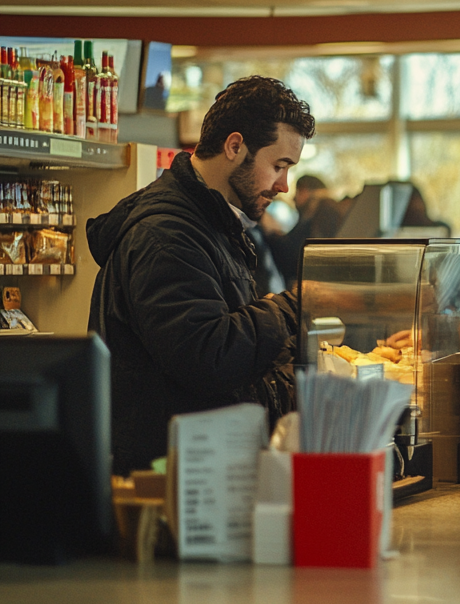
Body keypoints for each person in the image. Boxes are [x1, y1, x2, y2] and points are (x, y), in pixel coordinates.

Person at [88, 76, 314, 475]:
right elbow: (208, 355)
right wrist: (293, 307)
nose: (284, 185)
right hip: (168, 480)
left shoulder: (216, 223)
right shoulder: (166, 235)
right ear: (234, 146)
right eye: (278, 166)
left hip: (206, 466)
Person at [267, 174, 343, 285]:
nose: (294, 198)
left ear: (308, 191)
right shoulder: (313, 216)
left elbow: (296, 252)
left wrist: (273, 235)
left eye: (298, 191)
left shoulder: (324, 216)